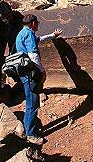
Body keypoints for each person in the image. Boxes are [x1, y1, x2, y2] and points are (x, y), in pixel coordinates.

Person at [15, 14, 63, 145]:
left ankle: (27, 130)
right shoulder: (28, 34)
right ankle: (31, 135)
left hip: (24, 73)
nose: (38, 24)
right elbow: (33, 54)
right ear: (32, 24)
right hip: (30, 74)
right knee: (32, 104)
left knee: (31, 102)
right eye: (37, 23)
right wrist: (42, 71)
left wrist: (53, 35)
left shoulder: (22, 33)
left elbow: (39, 39)